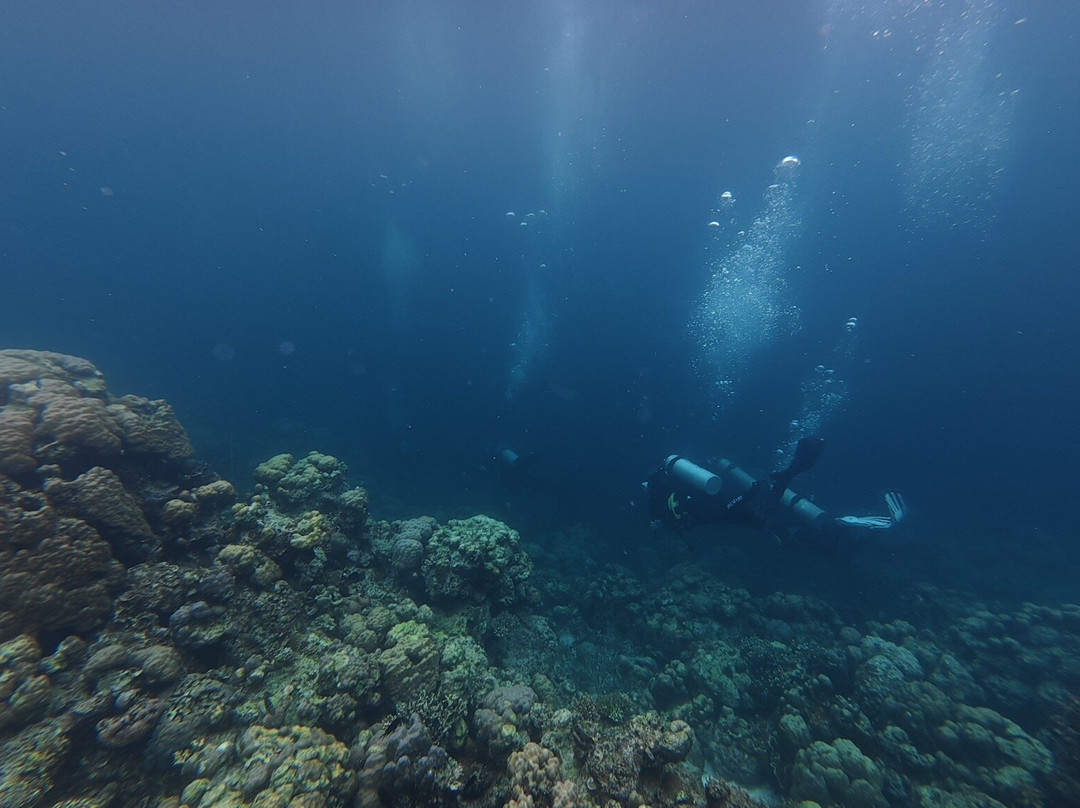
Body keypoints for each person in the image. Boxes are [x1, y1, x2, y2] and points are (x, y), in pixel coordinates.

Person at [642, 437, 906, 555]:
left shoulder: (659, 482)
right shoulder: (674, 479)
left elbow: (668, 513)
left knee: (761, 514)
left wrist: (664, 522)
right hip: (735, 503)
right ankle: (788, 481)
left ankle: (789, 475)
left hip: (736, 507)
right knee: (777, 517)